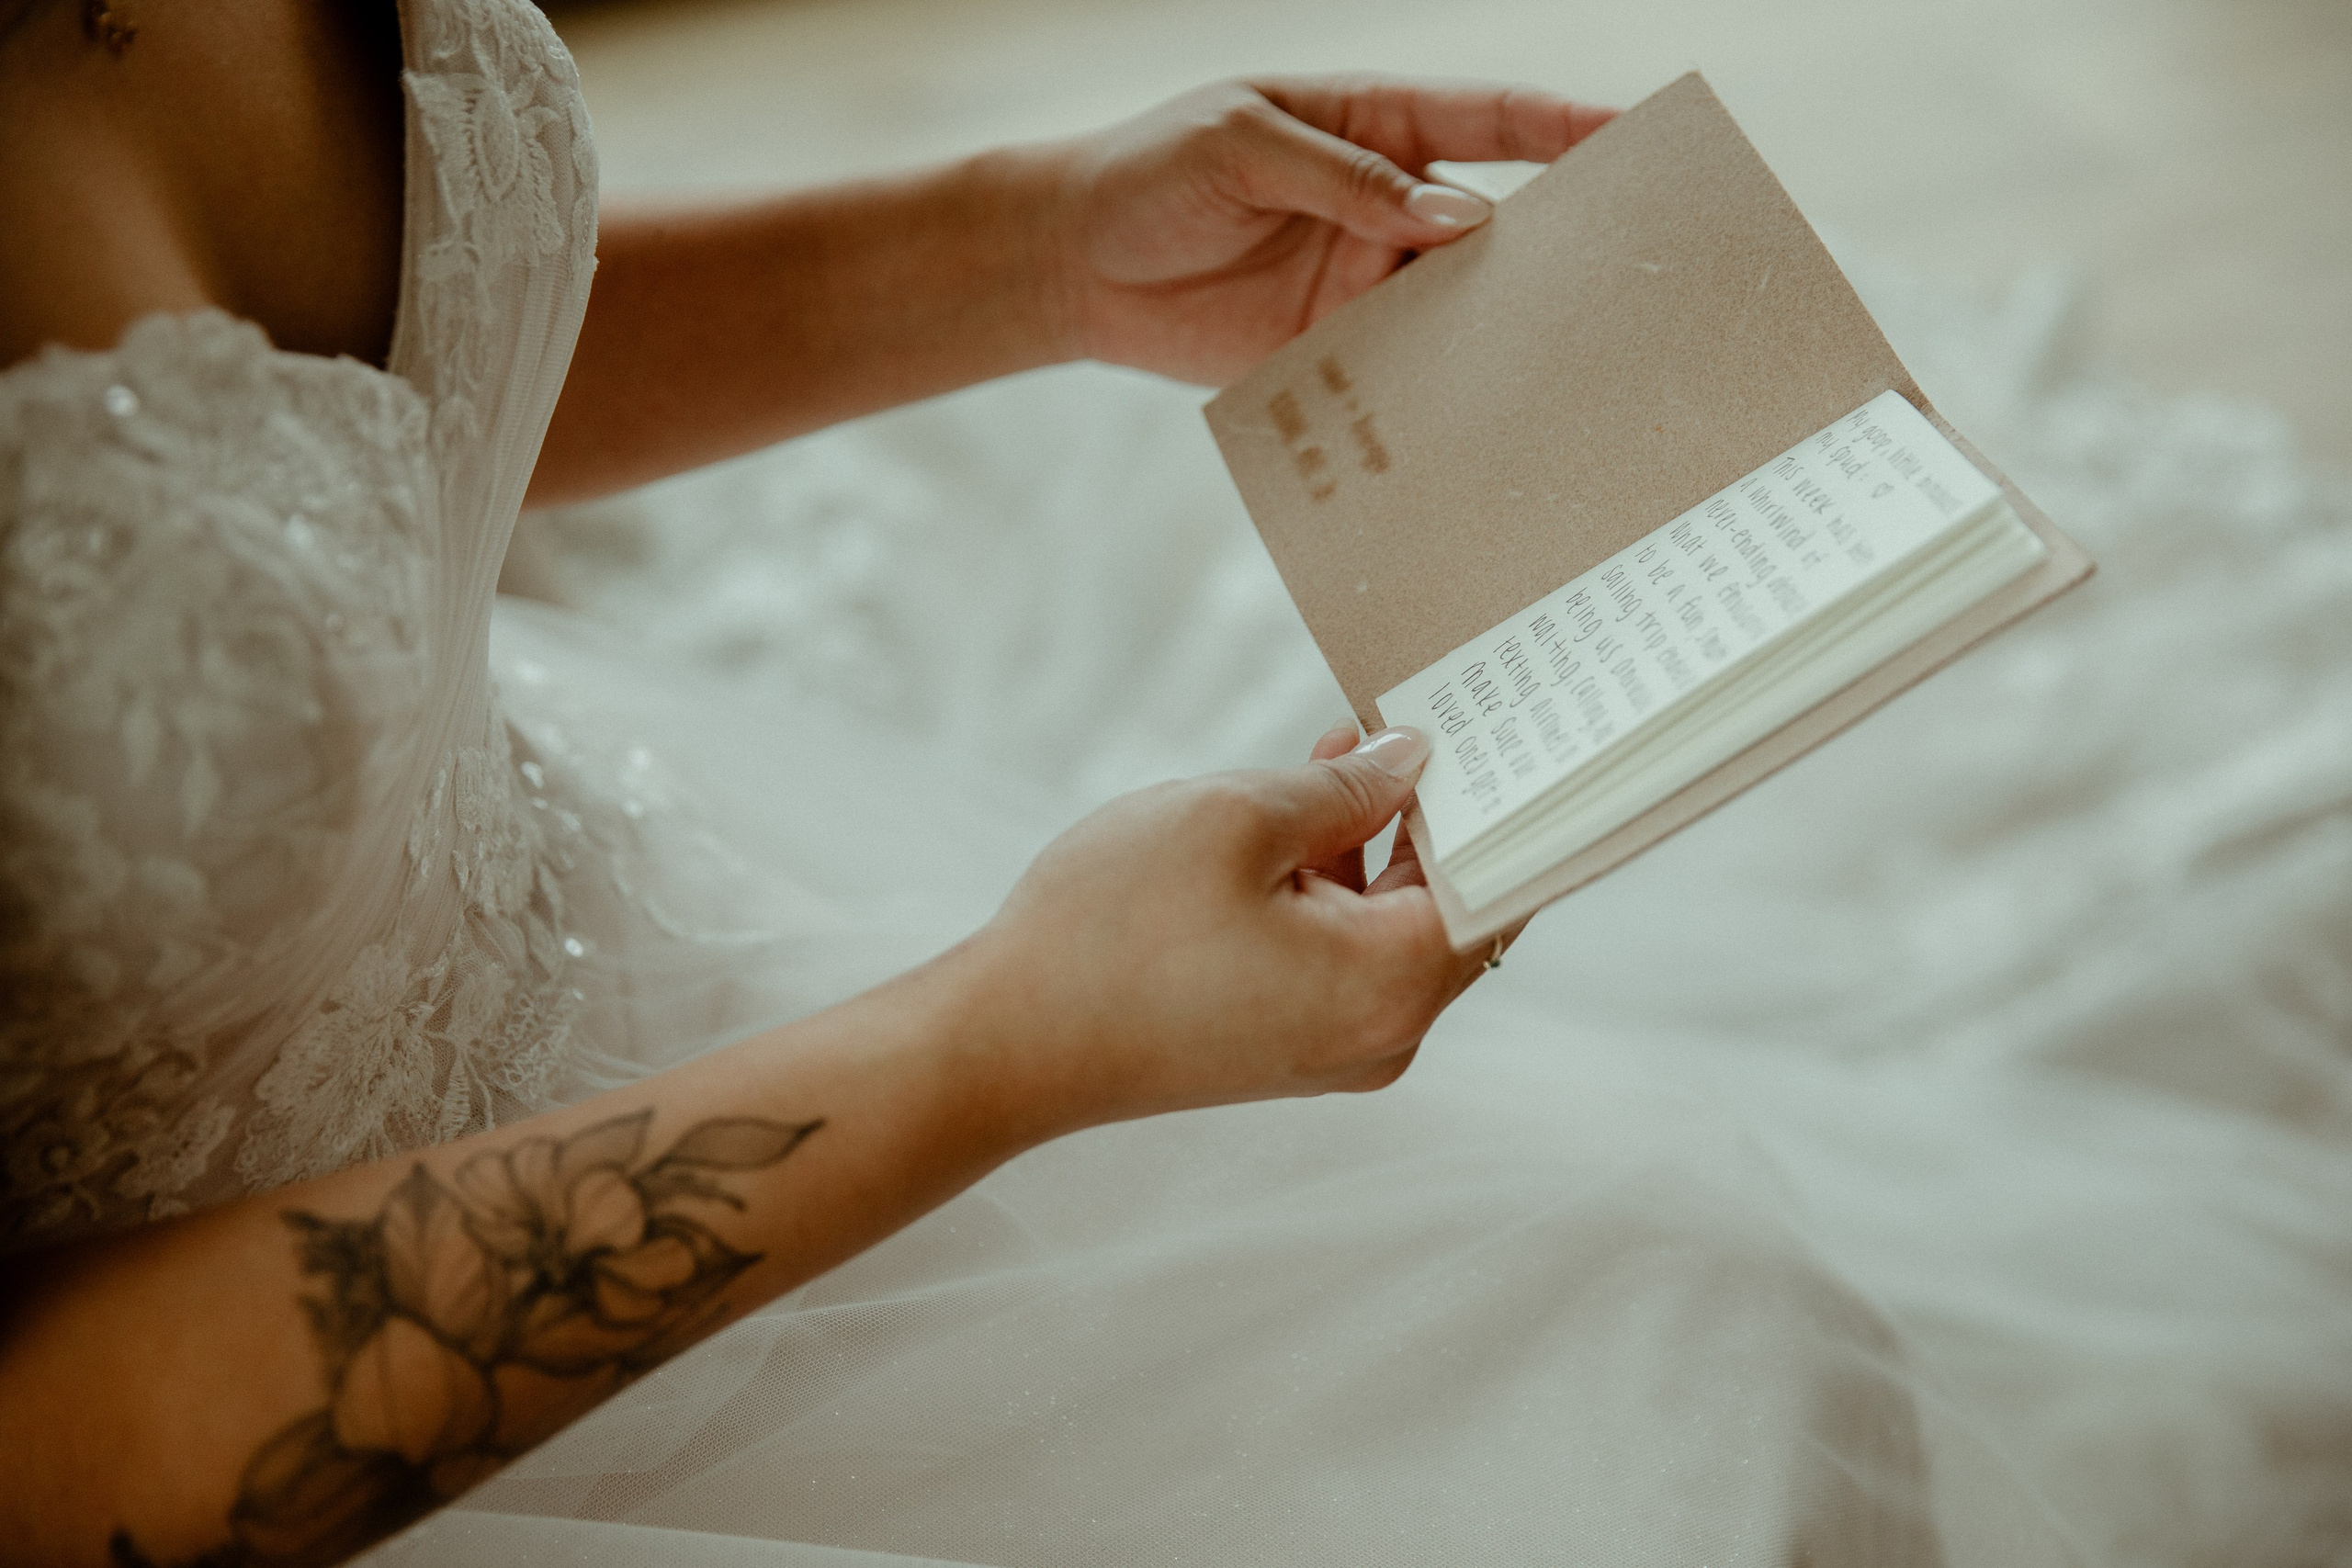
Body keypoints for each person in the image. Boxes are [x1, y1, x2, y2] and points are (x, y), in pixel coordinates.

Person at [0, 0, 2174, 1563]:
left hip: (606, 929)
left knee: (1683, 1284)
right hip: (322, 1390)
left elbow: (347, 423)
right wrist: (1005, 1035)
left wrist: (1030, 247)